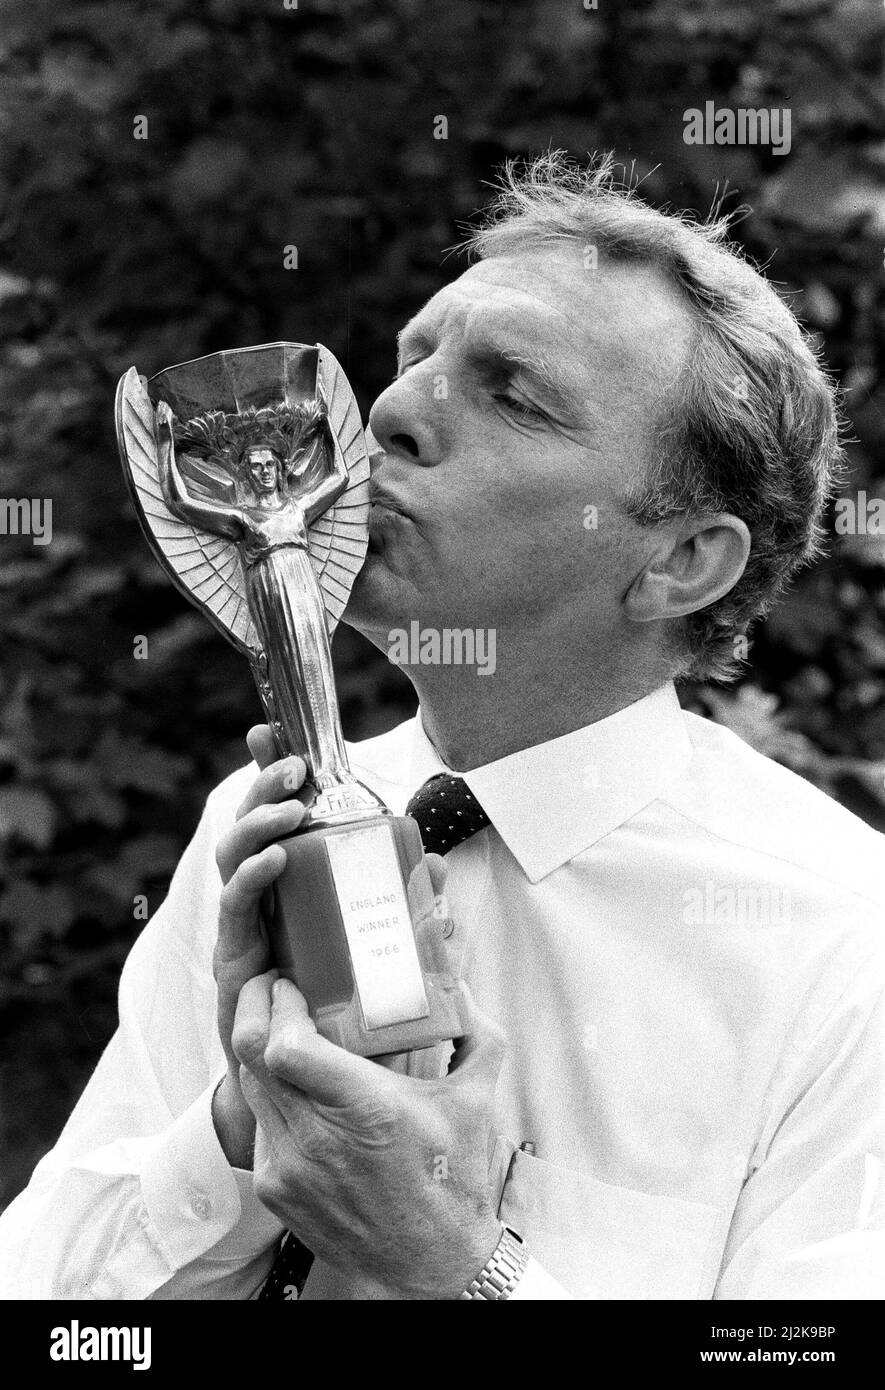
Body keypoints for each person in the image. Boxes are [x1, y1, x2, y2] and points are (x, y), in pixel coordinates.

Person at [1, 154, 882, 1300]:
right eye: (417, 357)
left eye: (516, 395)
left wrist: (457, 1268)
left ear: (680, 560)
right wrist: (236, 1128)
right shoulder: (261, 827)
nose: (396, 412)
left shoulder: (842, 945)